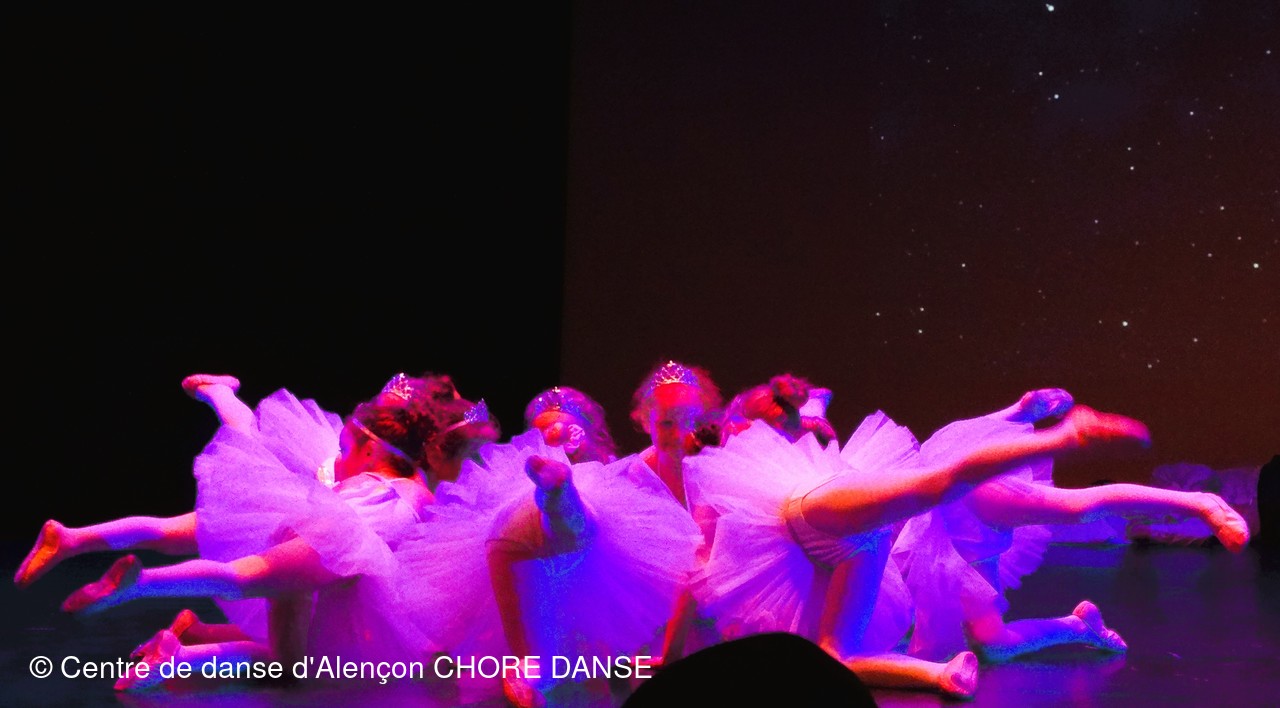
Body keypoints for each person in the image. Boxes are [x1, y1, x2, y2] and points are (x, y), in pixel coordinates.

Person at [682, 376, 1157, 699]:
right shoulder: (785, 447)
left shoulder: (745, 460)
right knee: (848, 651)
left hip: (827, 519)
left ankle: (1058, 437)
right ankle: (951, 669)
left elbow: (709, 549)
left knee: (942, 481)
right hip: (851, 543)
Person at [59, 381, 500, 691]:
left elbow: (254, 439)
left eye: (346, 449)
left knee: (261, 617)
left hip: (313, 558)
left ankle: (178, 635)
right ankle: (145, 589)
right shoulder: (411, 493)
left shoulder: (359, 479)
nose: (340, 457)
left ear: (370, 451)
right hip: (329, 556)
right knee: (255, 601)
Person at [891, 389, 1252, 664]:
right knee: (993, 644)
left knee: (1077, 507)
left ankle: (1200, 502)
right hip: (960, 542)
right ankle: (1079, 627)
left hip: (958, 517)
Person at [398, 382, 701, 707]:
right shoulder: (511, 511)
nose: (557, 440)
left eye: (567, 433)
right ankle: (556, 496)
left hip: (581, 619)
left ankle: (558, 495)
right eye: (545, 436)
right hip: (539, 585)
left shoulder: (615, 492)